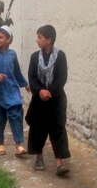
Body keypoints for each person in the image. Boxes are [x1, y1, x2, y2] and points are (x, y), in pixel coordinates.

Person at [26, 25, 71, 176]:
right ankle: (39, 158)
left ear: (49, 40)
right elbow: (32, 77)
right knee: (38, 128)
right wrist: (40, 91)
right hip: (39, 100)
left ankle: (59, 163)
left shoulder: (61, 56)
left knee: (57, 129)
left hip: (55, 99)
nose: (37, 40)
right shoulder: (34, 57)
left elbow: (62, 78)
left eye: (40, 37)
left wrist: (49, 91)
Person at [0, 25, 28, 157]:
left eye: (1, 37)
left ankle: (18, 144)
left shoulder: (12, 54)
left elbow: (16, 72)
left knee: (16, 115)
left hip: (12, 89)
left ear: (8, 40)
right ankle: (0, 144)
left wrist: (25, 84)